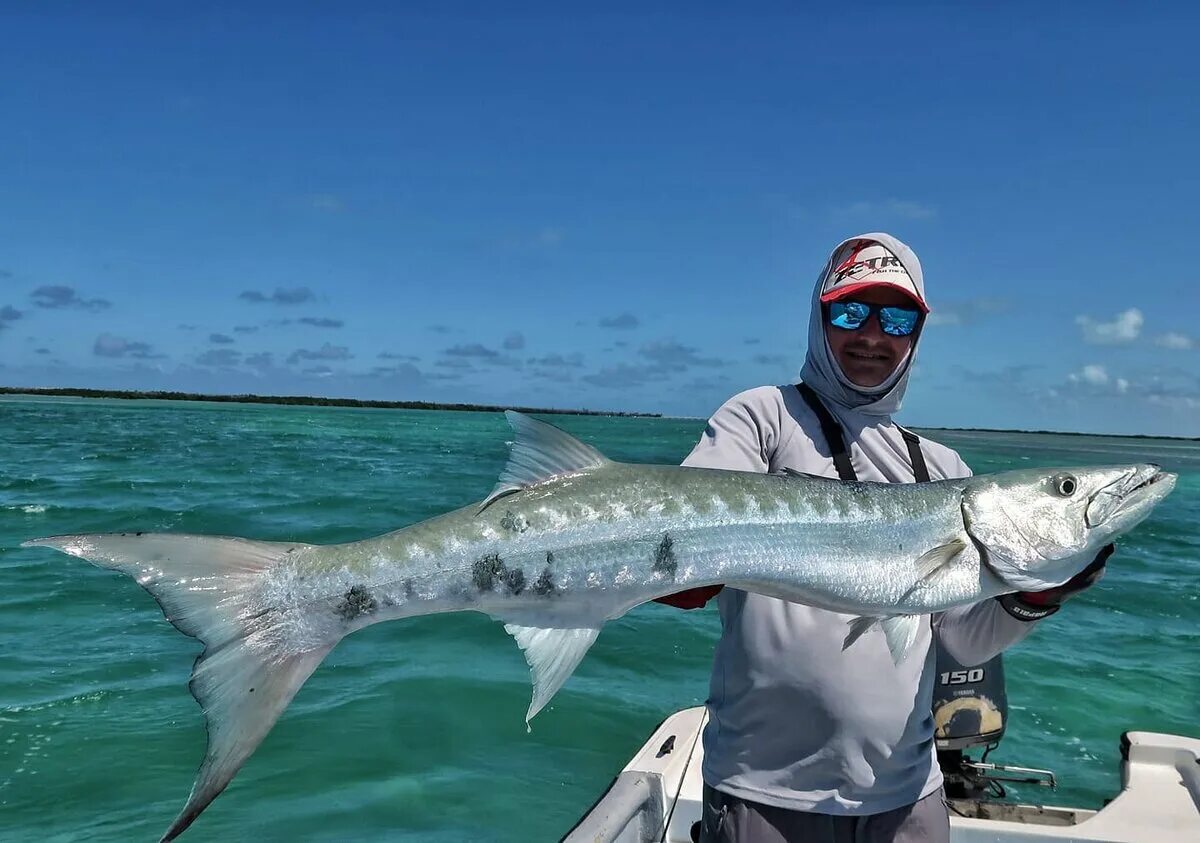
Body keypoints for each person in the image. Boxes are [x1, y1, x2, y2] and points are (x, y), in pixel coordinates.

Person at [656, 233, 1108, 843]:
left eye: (896, 318)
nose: (872, 336)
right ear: (819, 321)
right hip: (764, 789)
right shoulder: (762, 420)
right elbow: (680, 536)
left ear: (916, 335)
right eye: (850, 313)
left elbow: (965, 642)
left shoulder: (945, 470)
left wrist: (1036, 596)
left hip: (908, 794)